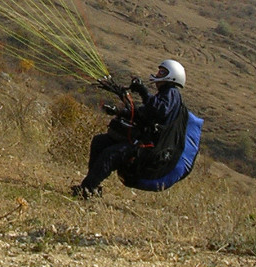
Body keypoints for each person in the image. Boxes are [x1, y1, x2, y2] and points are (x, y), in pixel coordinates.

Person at [71, 59, 187, 199]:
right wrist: (119, 112)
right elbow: (143, 113)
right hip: (141, 142)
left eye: (162, 72)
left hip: (149, 148)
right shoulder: (164, 94)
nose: (157, 75)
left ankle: (87, 189)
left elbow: (159, 111)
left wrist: (143, 91)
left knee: (111, 154)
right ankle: (92, 186)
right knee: (99, 142)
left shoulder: (171, 92)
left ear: (172, 76)